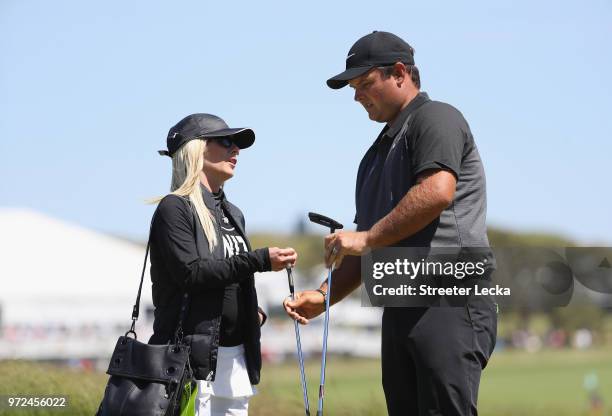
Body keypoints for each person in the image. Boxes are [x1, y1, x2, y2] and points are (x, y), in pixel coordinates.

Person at [284, 31, 497, 415]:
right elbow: (366, 247)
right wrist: (323, 295)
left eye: (365, 83)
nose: (356, 96)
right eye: (352, 87)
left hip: (448, 301)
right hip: (401, 306)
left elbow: (437, 191)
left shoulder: (437, 117)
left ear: (400, 73)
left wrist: (364, 238)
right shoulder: (374, 156)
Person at [150, 113, 297, 416]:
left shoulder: (234, 213)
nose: (236, 151)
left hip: (235, 357)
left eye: (237, 144)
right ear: (197, 149)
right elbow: (192, 273)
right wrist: (259, 260)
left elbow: (231, 277)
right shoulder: (174, 208)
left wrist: (249, 312)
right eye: (227, 142)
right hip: (189, 359)